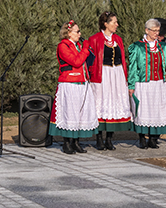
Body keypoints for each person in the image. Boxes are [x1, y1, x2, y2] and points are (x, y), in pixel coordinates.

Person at [48, 20, 99, 154]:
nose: (80, 33)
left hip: (82, 82)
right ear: (69, 33)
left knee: (80, 113)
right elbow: (76, 61)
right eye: (77, 31)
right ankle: (67, 143)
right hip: (69, 83)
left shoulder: (78, 46)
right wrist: (85, 49)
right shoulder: (63, 46)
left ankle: (76, 142)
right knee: (69, 113)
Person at [87, 11, 133, 150]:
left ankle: (109, 139)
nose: (117, 24)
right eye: (114, 22)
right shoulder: (94, 39)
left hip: (117, 74)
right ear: (105, 24)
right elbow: (90, 61)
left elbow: (122, 59)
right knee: (101, 105)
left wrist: (124, 76)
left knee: (114, 104)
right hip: (102, 75)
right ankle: (99, 138)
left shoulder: (118, 39)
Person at [128, 19, 166, 149]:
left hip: (159, 83)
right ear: (146, 30)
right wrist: (131, 85)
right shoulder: (137, 47)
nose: (156, 33)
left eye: (157, 31)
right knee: (143, 110)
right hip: (143, 83)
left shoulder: (164, 47)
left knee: (157, 109)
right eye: (153, 30)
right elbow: (133, 67)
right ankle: (142, 138)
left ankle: (154, 138)